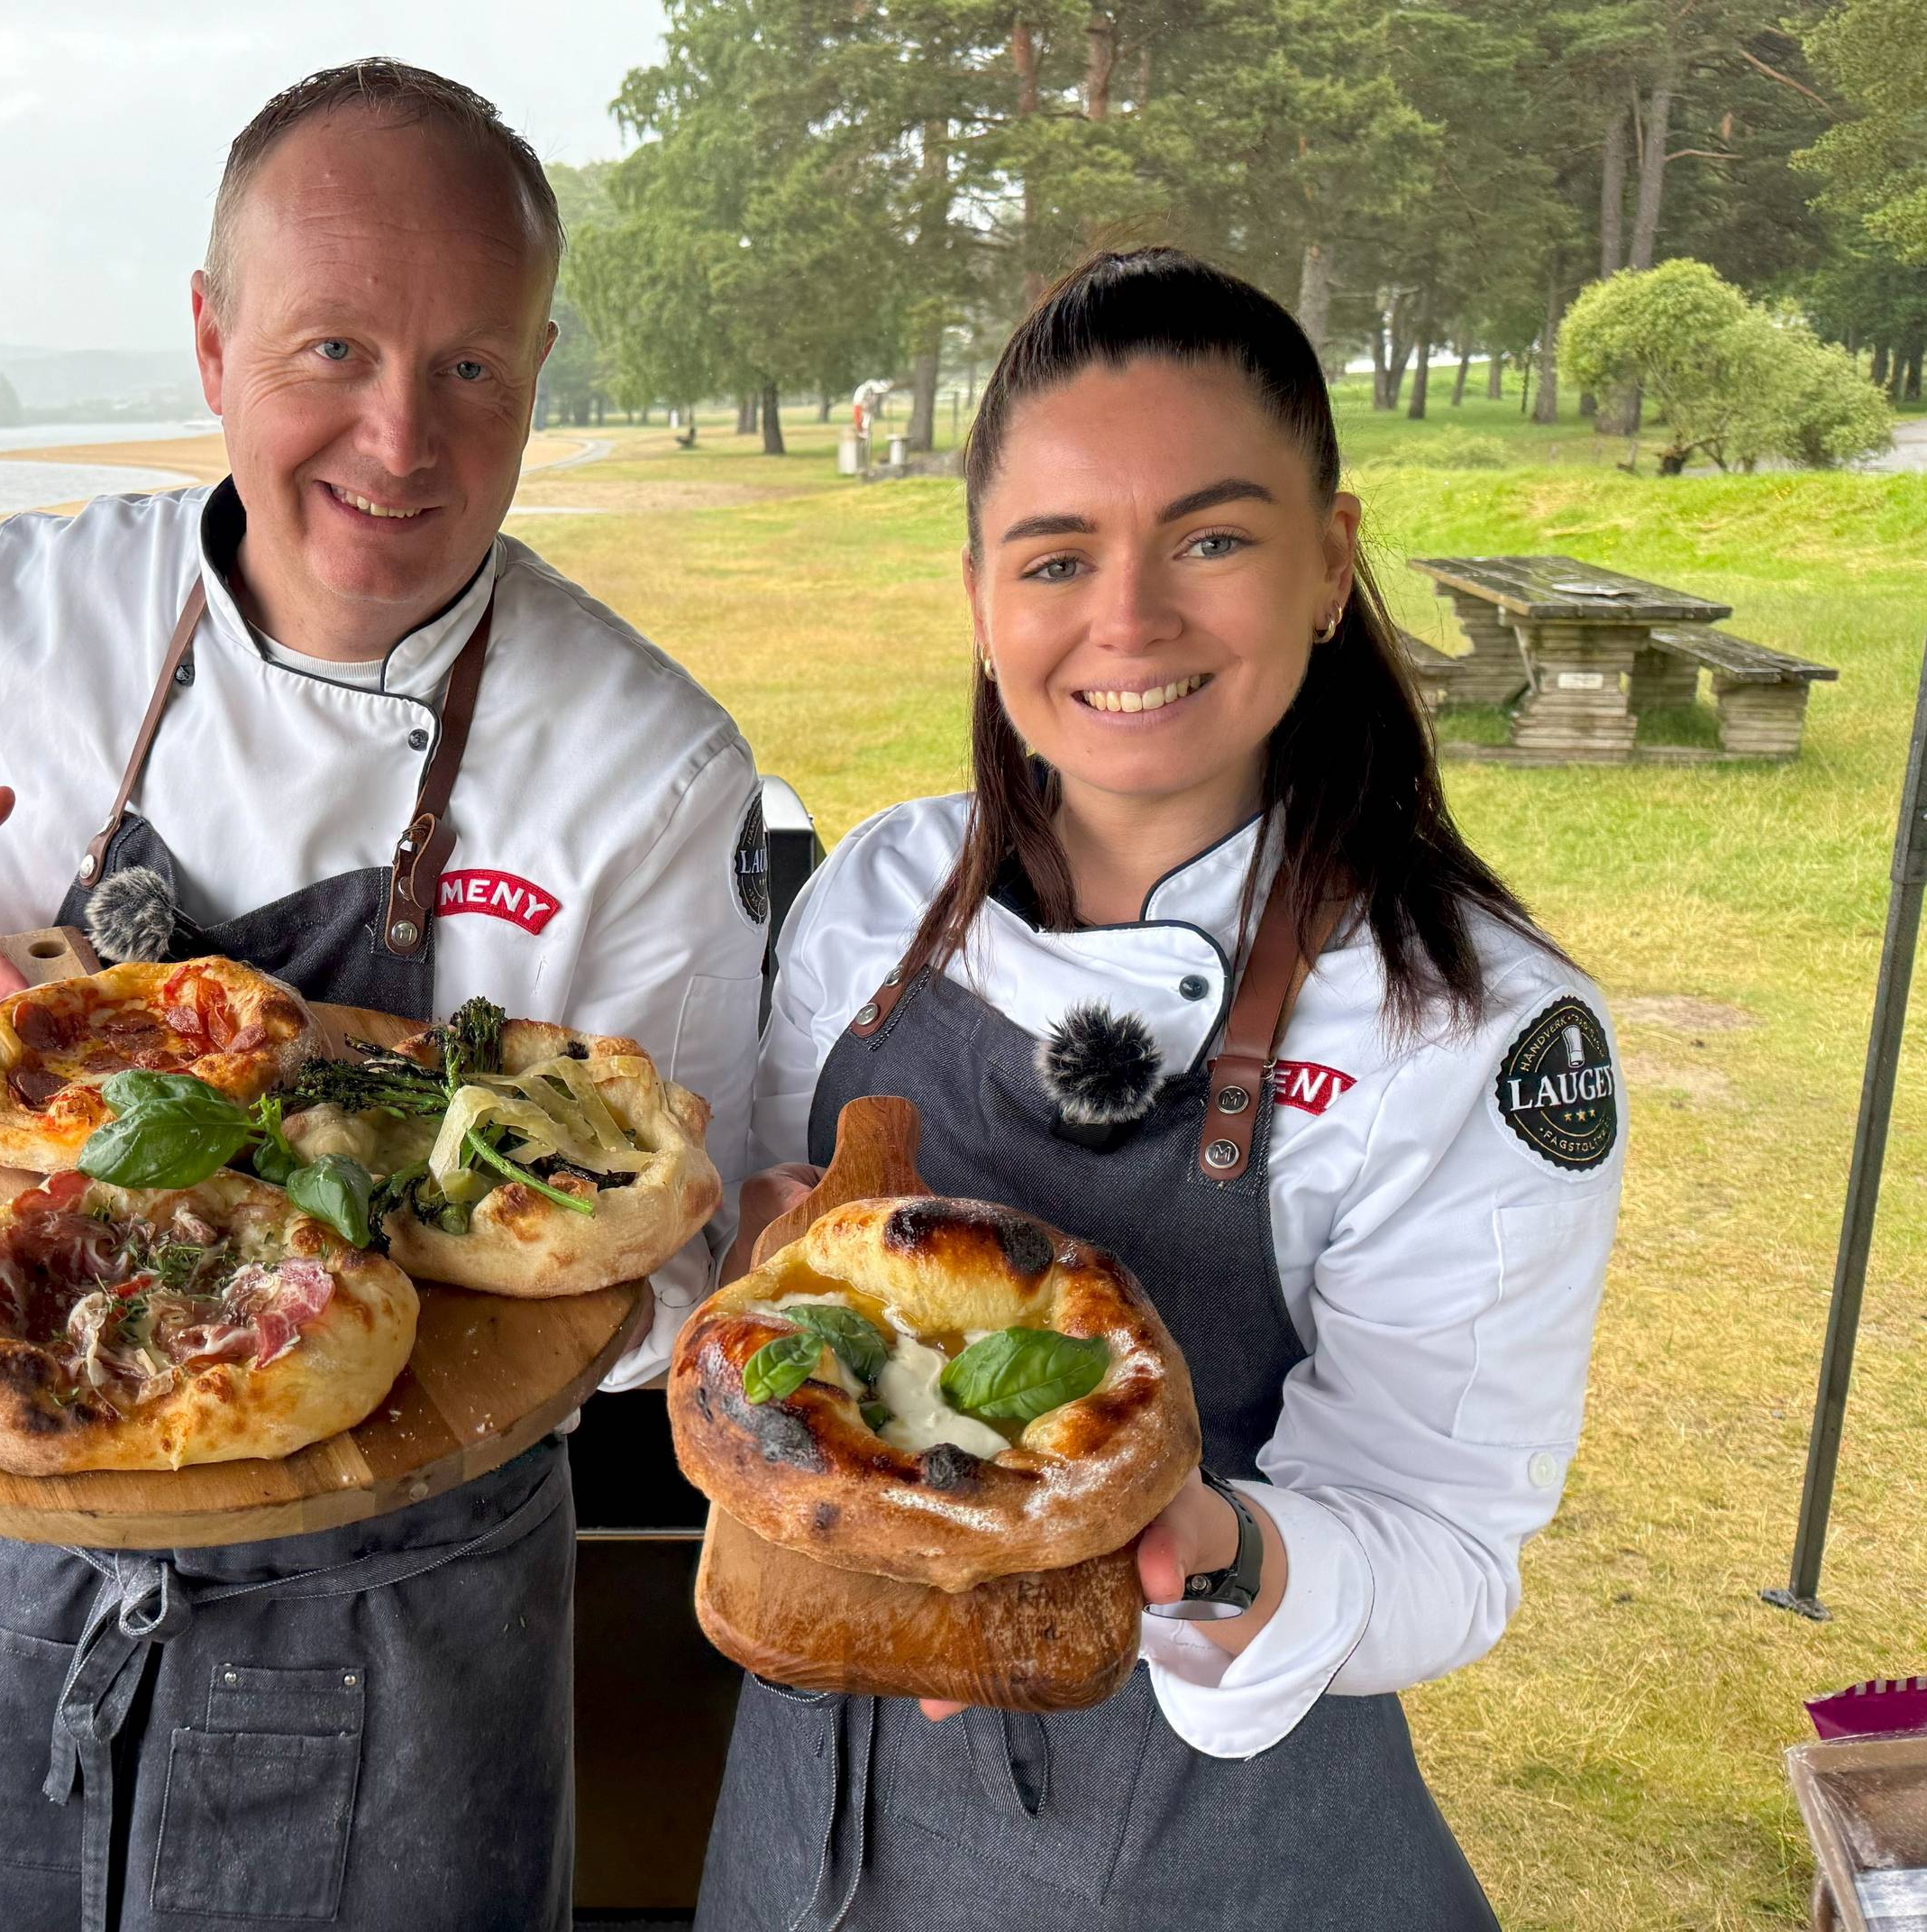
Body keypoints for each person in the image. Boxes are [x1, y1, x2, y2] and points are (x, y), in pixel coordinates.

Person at [0, 60, 766, 1932]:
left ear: (541, 372)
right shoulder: (52, 608)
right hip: (35, 1516)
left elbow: (661, 1282)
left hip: (418, 1595)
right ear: (215, 341)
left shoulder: (648, 769)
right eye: (331, 350)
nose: (400, 441)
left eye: (473, 367)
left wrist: (405, 1248)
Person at [693, 248, 1622, 1928]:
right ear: (982, 594)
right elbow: (766, 1246)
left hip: (1198, 1853)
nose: (1128, 621)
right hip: (797, 1831)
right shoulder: (882, 898)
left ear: (1329, 565)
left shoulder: (1467, 1029)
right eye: (1058, 557)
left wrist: (1200, 1547)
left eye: (1211, 538)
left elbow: (1444, 1547)